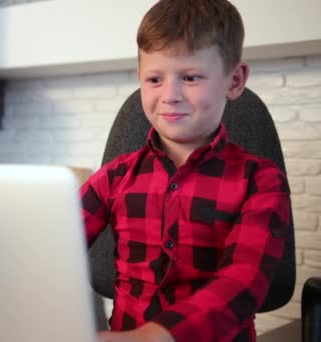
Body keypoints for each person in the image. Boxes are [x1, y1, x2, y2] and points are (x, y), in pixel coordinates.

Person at [80, 1, 291, 341]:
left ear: (234, 80)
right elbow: (53, 244)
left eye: (190, 77)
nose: (170, 95)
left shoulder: (261, 181)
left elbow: (244, 281)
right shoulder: (114, 177)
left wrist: (156, 336)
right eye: (154, 79)